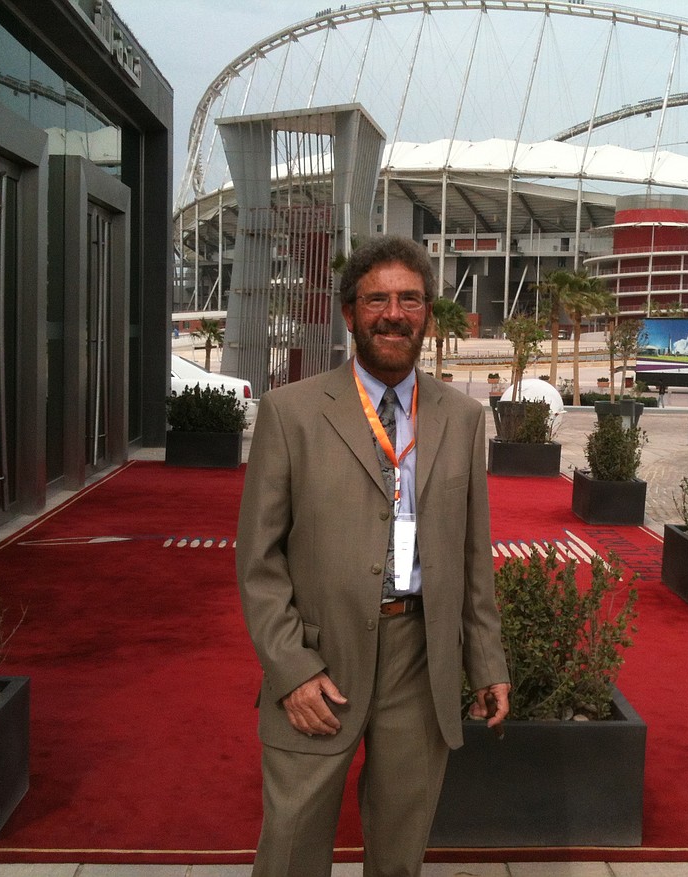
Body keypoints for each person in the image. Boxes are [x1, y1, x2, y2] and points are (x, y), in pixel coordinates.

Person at [235, 234, 511, 877]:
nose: (394, 313)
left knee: (399, 850)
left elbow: (474, 557)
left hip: (421, 657)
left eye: (410, 300)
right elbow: (259, 562)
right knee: (292, 850)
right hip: (321, 658)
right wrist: (290, 669)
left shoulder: (463, 418)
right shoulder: (290, 413)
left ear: (428, 314)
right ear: (349, 311)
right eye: (378, 299)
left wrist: (487, 661)